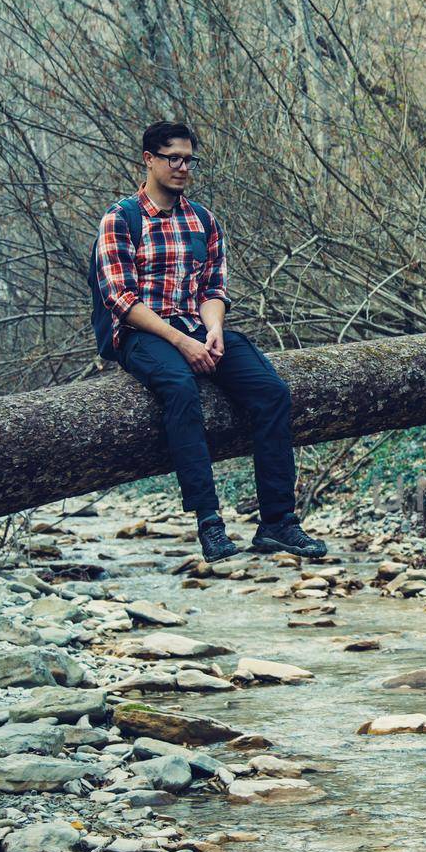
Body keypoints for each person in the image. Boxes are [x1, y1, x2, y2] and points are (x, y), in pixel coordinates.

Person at [94, 120, 326, 563]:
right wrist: (182, 343)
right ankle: (209, 522)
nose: (182, 167)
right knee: (181, 390)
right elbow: (120, 300)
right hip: (144, 333)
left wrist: (214, 329)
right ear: (149, 160)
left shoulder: (202, 220)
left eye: (188, 159)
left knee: (271, 392)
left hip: (199, 326)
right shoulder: (120, 220)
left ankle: (278, 522)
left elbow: (213, 290)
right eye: (172, 158)